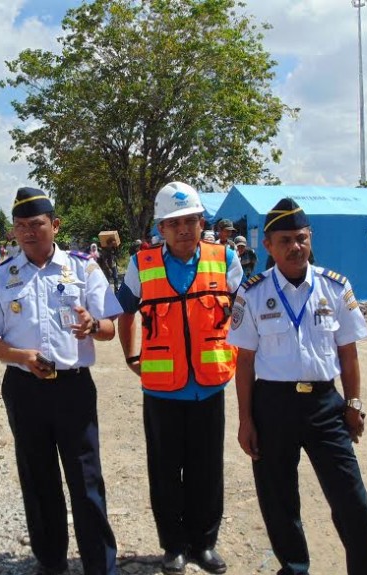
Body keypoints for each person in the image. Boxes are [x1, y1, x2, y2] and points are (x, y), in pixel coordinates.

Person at [227, 198, 367, 575]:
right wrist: (246, 420)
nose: (295, 247)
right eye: (285, 240)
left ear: (310, 238)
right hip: (273, 406)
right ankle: (295, 567)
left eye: (301, 238)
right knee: (278, 498)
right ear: (268, 246)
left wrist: (354, 403)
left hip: (324, 405)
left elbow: (348, 354)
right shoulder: (251, 292)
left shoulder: (334, 287)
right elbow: (244, 362)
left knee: (351, 497)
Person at [0, 187, 121, 575]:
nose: (28, 232)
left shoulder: (84, 268)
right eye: (20, 226)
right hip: (25, 390)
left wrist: (92, 325)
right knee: (38, 480)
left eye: (36, 224)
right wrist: (21, 357)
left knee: (86, 479)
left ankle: (100, 565)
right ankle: (51, 561)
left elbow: (109, 328)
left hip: (73, 387)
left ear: (54, 225)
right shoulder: (3, 276)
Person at [117, 181, 242, 575]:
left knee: (207, 470)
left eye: (190, 221)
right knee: (165, 471)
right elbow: (124, 312)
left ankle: (204, 544)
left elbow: (244, 310)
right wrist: (132, 354)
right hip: (161, 390)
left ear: (202, 221)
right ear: (161, 228)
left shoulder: (224, 258)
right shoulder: (142, 263)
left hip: (209, 386)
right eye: (174, 223)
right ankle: (173, 545)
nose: (184, 229)